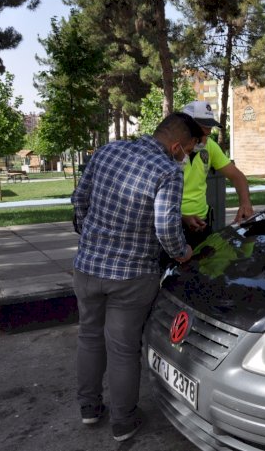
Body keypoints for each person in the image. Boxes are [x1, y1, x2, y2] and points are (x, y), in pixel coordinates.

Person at [71, 112, 201, 442]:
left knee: (89, 336)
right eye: (189, 149)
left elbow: (79, 200)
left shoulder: (106, 152)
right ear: (176, 145)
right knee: (123, 349)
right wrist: (184, 253)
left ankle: (89, 408)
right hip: (132, 276)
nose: (188, 156)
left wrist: (93, 239)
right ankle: (123, 422)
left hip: (87, 268)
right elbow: (166, 231)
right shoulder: (168, 171)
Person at [179, 101, 254, 248]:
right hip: (171, 226)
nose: (206, 138)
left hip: (202, 225)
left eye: (208, 131)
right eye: (202, 131)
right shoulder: (169, 149)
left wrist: (245, 203)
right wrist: (182, 217)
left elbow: (237, 176)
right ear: (185, 127)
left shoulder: (209, 146)